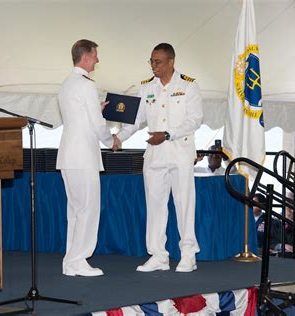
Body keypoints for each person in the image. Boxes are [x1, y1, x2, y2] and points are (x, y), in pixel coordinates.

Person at [114, 43, 203, 272]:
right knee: (155, 206)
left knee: (184, 204)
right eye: (151, 61)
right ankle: (158, 255)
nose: (153, 66)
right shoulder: (146, 88)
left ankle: (188, 254)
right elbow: (135, 119)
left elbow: (195, 120)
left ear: (171, 61)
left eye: (158, 61)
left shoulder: (188, 86)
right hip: (154, 155)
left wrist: (167, 134)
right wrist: (119, 138)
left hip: (180, 153)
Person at [57, 39, 120, 277]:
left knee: (75, 210)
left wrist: (96, 108)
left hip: (68, 156)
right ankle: (78, 260)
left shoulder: (67, 84)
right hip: (83, 157)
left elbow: (80, 116)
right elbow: (96, 124)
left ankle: (70, 261)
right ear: (85, 57)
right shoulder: (86, 85)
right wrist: (110, 140)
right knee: (88, 209)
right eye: (95, 55)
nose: (97, 60)